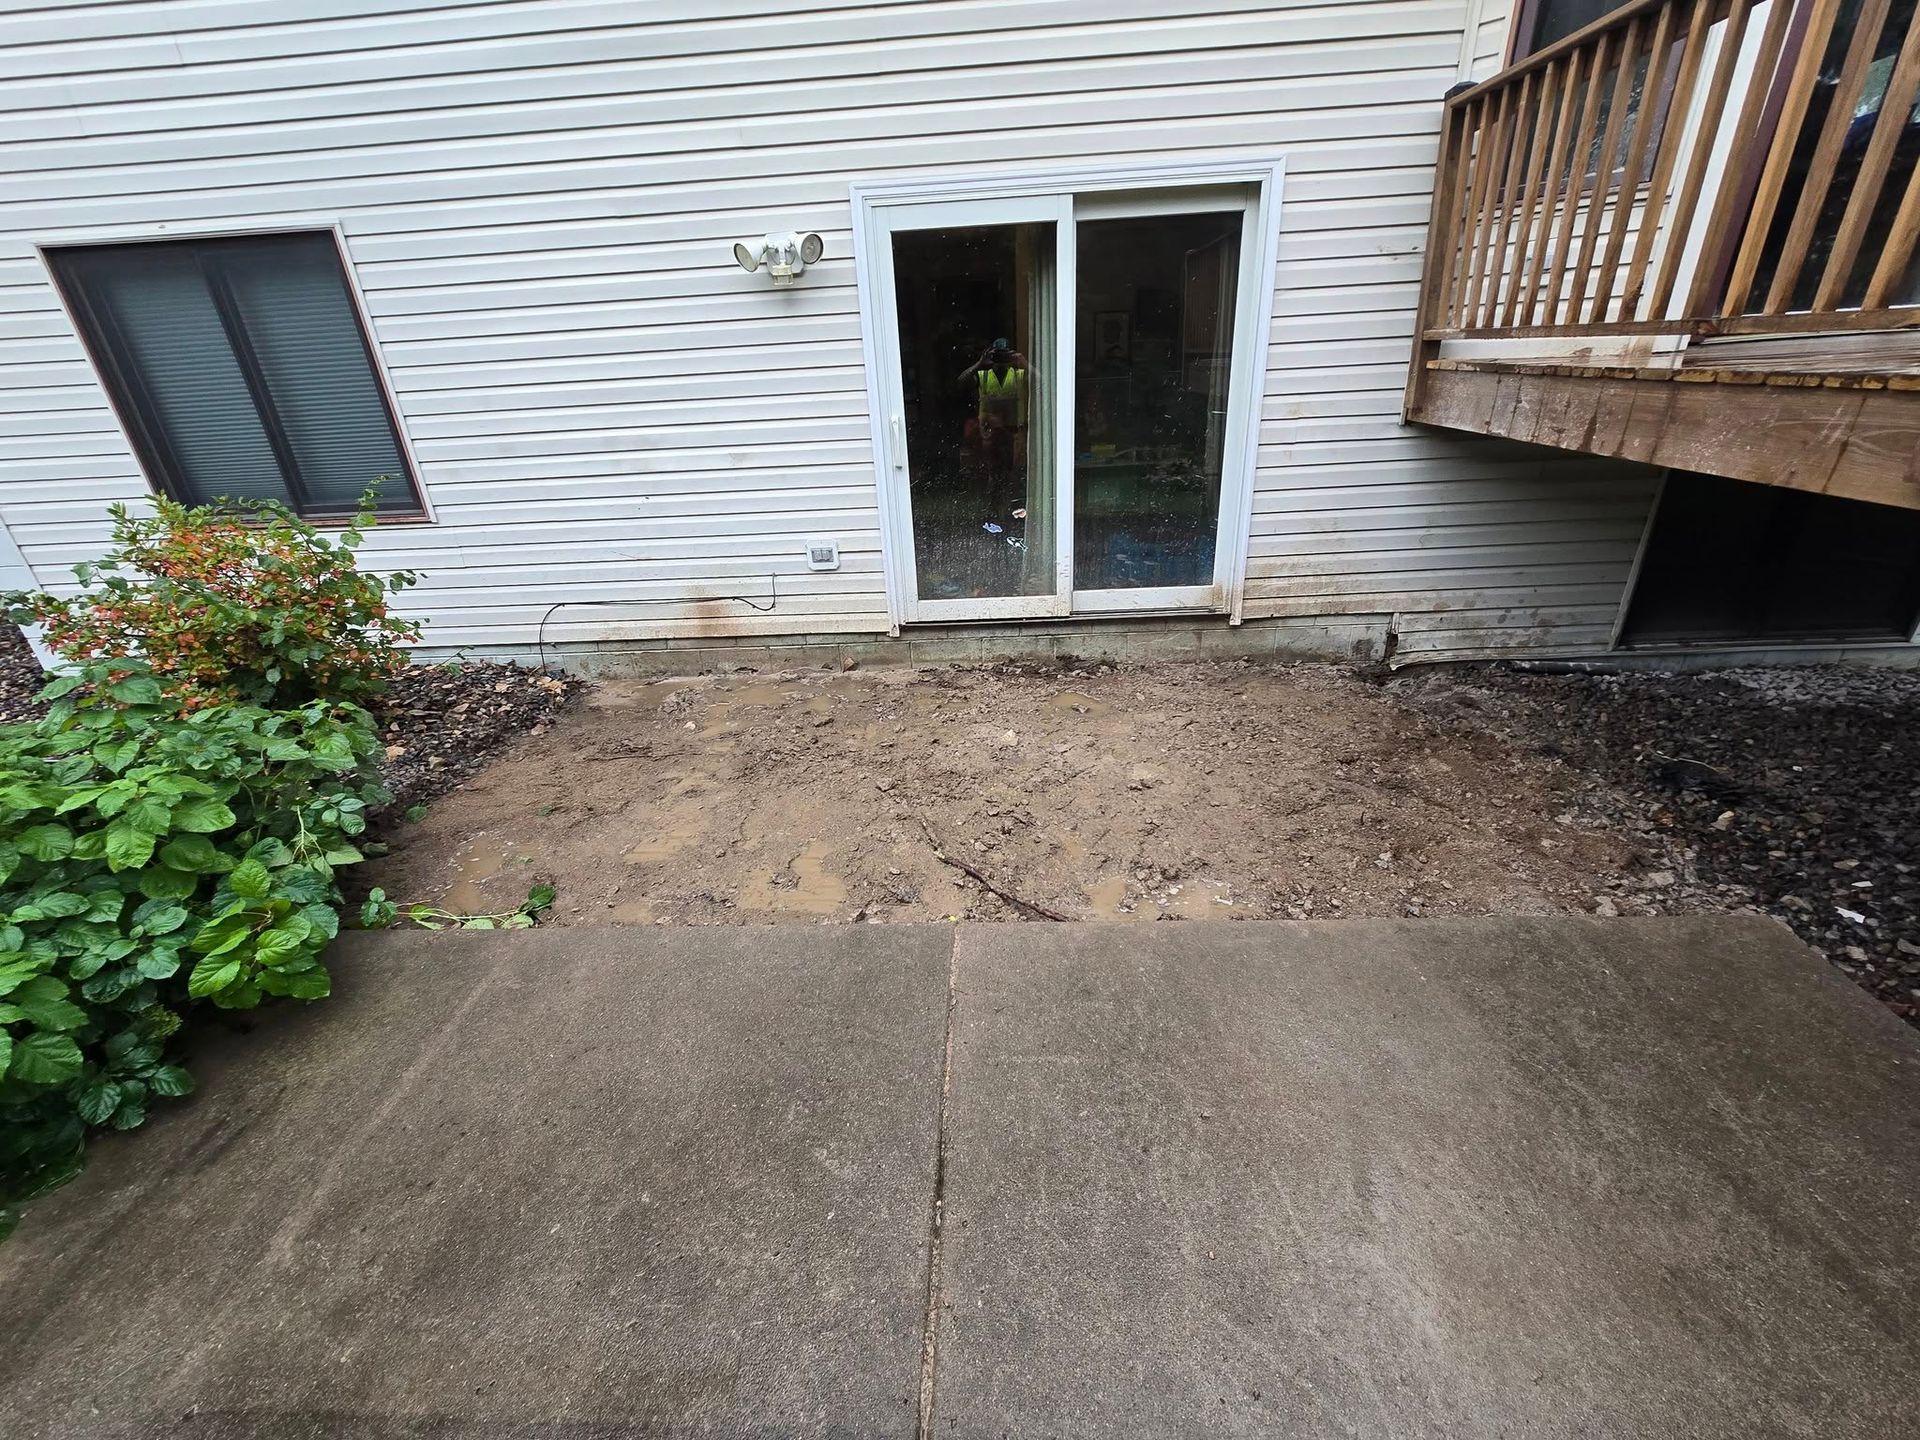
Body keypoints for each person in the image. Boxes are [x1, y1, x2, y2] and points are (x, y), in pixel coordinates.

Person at [958, 338, 1034, 515]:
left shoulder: (1018, 373)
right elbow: (960, 383)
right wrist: (979, 364)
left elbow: (1044, 383)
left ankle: (1014, 509)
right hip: (989, 433)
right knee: (991, 472)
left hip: (1014, 431)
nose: (1001, 359)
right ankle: (992, 510)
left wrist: (1024, 363)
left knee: (1015, 471)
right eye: (998, 355)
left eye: (1005, 355)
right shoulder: (984, 375)